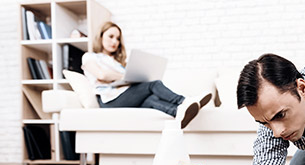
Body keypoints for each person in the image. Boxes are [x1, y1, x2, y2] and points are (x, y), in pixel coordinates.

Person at [82, 21, 211, 128]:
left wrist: (132, 76)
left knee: (151, 100)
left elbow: (114, 78)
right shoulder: (90, 57)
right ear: (100, 36)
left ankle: (179, 113)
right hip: (109, 101)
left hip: (123, 96)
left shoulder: (119, 63)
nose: (115, 42)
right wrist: (125, 77)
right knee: (153, 85)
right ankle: (185, 101)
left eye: (118, 39)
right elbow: (102, 75)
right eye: (111, 36)